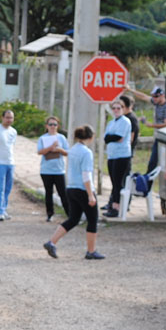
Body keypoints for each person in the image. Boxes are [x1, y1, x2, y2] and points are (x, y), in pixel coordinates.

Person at [43, 125, 104, 260]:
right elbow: (86, 175)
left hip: (71, 188)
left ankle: (52, 242)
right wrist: (90, 195)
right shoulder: (86, 152)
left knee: (73, 219)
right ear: (91, 137)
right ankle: (91, 251)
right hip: (83, 189)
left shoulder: (73, 150)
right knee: (92, 219)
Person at [102, 99, 132, 217]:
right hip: (112, 155)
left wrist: (111, 137)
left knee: (119, 182)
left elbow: (119, 137)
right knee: (114, 182)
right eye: (114, 108)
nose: (116, 110)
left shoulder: (125, 121)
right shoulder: (111, 123)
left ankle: (117, 207)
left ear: (123, 109)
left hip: (122, 155)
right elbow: (106, 138)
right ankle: (113, 205)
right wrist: (111, 137)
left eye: (118, 108)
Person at [37, 116, 70, 223]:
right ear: (46, 126)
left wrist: (59, 149)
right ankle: (50, 214)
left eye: (54, 124)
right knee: (48, 193)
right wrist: (50, 148)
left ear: (58, 126)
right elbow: (40, 151)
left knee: (63, 193)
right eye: (50, 124)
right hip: (46, 170)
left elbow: (67, 152)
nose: (52, 126)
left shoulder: (61, 138)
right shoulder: (43, 138)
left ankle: (69, 214)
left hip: (59, 170)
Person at [145, 86, 166, 179]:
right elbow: (144, 97)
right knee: (153, 161)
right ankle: (147, 179)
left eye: (156, 96)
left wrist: (152, 125)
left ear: (162, 96)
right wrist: (130, 90)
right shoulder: (157, 103)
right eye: (153, 96)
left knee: (162, 162)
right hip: (159, 137)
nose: (154, 98)